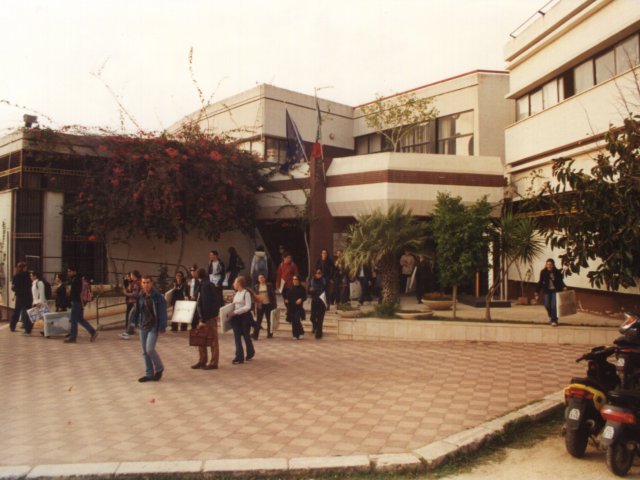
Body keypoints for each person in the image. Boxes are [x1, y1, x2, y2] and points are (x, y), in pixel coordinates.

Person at [129, 275, 167, 382]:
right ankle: (149, 374)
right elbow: (136, 311)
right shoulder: (140, 296)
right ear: (141, 284)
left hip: (153, 326)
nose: (146, 285)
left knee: (150, 349)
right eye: (144, 282)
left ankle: (159, 368)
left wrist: (162, 326)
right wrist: (132, 323)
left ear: (152, 283)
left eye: (148, 282)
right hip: (143, 325)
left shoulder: (158, 297)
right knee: (145, 351)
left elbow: (162, 312)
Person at [192, 268, 221, 370]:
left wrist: (203, 319)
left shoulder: (205, 286)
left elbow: (206, 303)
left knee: (212, 339)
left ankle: (213, 362)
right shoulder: (205, 284)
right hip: (206, 316)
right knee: (201, 339)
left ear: (197, 275)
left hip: (208, 317)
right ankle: (202, 360)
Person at [64, 266, 98, 344]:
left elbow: (75, 292)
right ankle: (92, 332)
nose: (68, 272)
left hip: (77, 302)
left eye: (70, 271)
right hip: (79, 302)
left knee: (73, 320)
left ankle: (73, 337)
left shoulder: (76, 280)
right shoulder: (76, 279)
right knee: (80, 319)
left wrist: (69, 299)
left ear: (74, 272)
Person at [228, 276, 255, 364]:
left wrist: (236, 312)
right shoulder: (236, 293)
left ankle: (250, 353)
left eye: (235, 282)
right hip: (236, 318)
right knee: (237, 337)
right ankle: (239, 356)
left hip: (245, 317)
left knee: (246, 336)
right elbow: (234, 305)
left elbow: (248, 306)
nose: (233, 284)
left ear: (239, 284)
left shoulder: (246, 293)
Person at [535, 259, 568, 327]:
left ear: (553, 265)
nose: (549, 266)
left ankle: (554, 320)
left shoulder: (557, 272)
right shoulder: (543, 272)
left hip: (555, 290)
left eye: (550, 264)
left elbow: (560, 281)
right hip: (547, 291)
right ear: (546, 265)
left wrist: (564, 286)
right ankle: (550, 316)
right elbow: (540, 281)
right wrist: (536, 291)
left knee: (554, 305)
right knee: (547, 305)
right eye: (547, 264)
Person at [10, 262, 32, 333]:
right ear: (24, 267)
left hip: (19, 296)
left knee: (17, 311)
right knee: (26, 312)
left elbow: (13, 287)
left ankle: (12, 326)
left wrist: (17, 290)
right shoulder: (28, 275)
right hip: (27, 296)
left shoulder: (16, 276)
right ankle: (27, 328)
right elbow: (30, 285)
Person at [253, 273, 276, 339]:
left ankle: (270, 333)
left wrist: (274, 304)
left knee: (269, 320)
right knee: (258, 320)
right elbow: (255, 296)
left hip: (268, 304)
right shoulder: (256, 286)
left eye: (262, 278)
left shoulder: (269, 285)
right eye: (259, 278)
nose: (261, 279)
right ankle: (255, 334)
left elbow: (273, 295)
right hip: (260, 305)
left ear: (264, 278)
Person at [120, 270, 141, 339]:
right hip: (137, 302)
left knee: (133, 317)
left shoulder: (136, 283)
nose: (130, 276)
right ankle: (129, 332)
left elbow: (135, 294)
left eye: (131, 275)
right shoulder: (137, 282)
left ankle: (129, 332)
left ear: (134, 276)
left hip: (137, 302)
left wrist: (125, 293)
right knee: (133, 317)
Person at [284, 275, 307, 340]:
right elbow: (286, 296)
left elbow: (305, 297)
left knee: (297, 320)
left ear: (298, 280)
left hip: (298, 307)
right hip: (291, 307)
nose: (294, 281)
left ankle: (299, 333)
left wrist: (301, 299)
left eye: (296, 279)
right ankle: (296, 334)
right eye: (293, 279)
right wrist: (286, 300)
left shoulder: (302, 288)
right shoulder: (290, 287)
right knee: (293, 321)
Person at [309, 269, 327, 339]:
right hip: (314, 301)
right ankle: (317, 327)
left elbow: (327, 291)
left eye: (319, 273)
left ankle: (319, 333)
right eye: (316, 273)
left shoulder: (324, 281)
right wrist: (310, 290)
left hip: (322, 301)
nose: (318, 274)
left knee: (320, 318)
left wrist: (327, 303)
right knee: (312, 317)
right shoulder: (312, 281)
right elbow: (309, 290)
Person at [187, 264, 200, 329]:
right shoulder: (189, 279)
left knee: (195, 313)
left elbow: (198, 288)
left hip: (195, 298)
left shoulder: (198, 280)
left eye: (193, 270)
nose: (192, 272)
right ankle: (193, 325)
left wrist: (194, 295)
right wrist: (186, 295)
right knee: (191, 312)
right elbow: (186, 287)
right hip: (190, 297)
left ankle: (195, 325)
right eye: (191, 270)